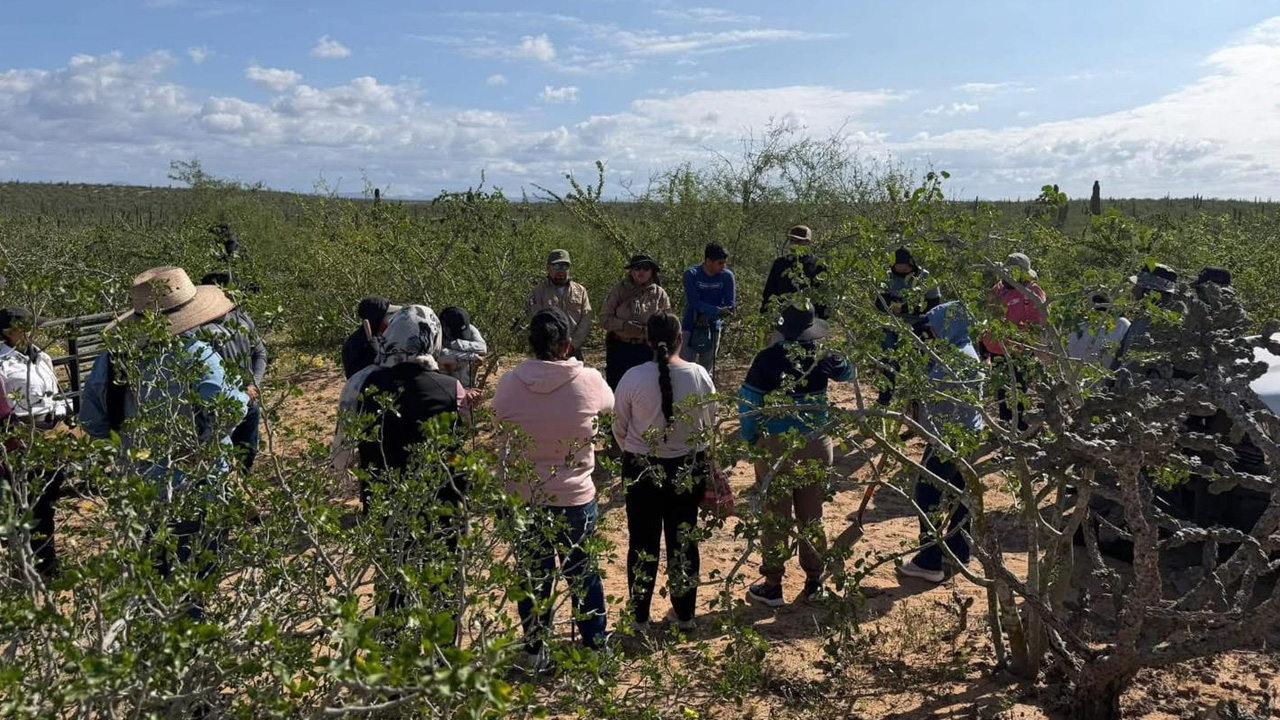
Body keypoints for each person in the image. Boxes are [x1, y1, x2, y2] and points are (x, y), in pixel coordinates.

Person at [80, 267, 248, 619]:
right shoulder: (196, 353)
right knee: (192, 580)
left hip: (138, 488)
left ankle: (156, 654)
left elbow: (93, 421)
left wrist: (130, 449)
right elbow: (230, 407)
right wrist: (202, 444)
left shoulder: (112, 359)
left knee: (153, 578)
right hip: (197, 488)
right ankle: (188, 656)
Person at [492, 308, 614, 665]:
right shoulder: (588, 379)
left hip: (524, 495)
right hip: (575, 496)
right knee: (583, 574)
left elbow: (499, 420)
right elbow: (610, 407)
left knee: (533, 575)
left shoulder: (509, 382)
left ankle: (534, 650)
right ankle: (594, 648)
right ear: (566, 345)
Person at [352, 305, 472, 617]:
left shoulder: (367, 386)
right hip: (439, 506)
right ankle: (442, 658)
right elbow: (457, 449)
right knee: (441, 588)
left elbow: (353, 451)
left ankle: (392, 652)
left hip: (385, 504)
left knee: (392, 584)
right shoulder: (451, 389)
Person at [740, 300, 852, 607]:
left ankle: (773, 585)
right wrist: (836, 359)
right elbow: (848, 374)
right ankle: (814, 581)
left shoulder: (766, 359)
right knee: (812, 516)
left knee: (775, 516)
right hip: (816, 442)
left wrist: (751, 441)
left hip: (776, 444)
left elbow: (749, 405)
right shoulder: (823, 355)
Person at [612, 311, 715, 631]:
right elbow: (709, 424)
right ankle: (684, 615)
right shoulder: (699, 374)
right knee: (683, 540)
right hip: (688, 465)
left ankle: (639, 617)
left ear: (646, 340)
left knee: (642, 542)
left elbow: (619, 427)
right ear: (680, 339)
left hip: (642, 467)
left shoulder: (632, 377)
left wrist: (638, 447)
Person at [896, 302, 986, 583]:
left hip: (948, 440)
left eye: (935, 327)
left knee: (927, 495)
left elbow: (928, 388)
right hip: (966, 436)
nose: (931, 334)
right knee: (959, 494)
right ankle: (959, 552)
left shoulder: (955, 361)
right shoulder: (965, 349)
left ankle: (929, 562)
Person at [1, 307, 68, 578]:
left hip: (52, 429)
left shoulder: (41, 355)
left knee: (49, 496)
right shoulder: (2, 363)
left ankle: (43, 559)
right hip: (23, 432)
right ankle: (38, 564)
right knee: (30, 501)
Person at [200, 272, 268, 472]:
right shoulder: (200, 330)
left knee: (248, 451)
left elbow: (260, 353)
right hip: (219, 405)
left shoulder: (242, 318)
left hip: (250, 399)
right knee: (221, 457)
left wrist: (254, 384)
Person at [980, 253, 1047, 430]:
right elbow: (989, 313)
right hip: (997, 347)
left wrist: (1018, 335)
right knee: (1002, 388)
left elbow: (1037, 319)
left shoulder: (1032, 291)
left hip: (1020, 349)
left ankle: (1021, 428)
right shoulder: (999, 289)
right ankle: (1006, 426)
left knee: (1018, 388)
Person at [876, 246, 942, 405]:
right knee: (889, 362)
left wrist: (905, 308)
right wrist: (890, 307)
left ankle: (920, 402)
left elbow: (933, 303)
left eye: (904, 266)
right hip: (893, 325)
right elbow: (879, 302)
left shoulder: (925, 277)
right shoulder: (888, 277)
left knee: (921, 364)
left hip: (919, 325)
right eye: (898, 266)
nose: (901, 269)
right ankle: (884, 399)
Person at [601, 254, 671, 390]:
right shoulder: (619, 290)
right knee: (617, 388)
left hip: (646, 350)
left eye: (645, 268)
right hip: (619, 348)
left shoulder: (659, 294)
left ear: (652, 272)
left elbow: (667, 323)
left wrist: (648, 331)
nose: (641, 272)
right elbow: (604, 319)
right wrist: (623, 325)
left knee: (644, 390)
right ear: (632, 271)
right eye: (637, 268)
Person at [527, 250, 592, 360]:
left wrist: (573, 344)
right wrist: (552, 345)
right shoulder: (539, 291)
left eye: (565, 266)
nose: (561, 270)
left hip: (574, 350)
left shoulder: (580, 291)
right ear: (548, 268)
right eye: (557, 266)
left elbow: (586, 319)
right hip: (549, 352)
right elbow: (537, 319)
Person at [681, 243, 735, 375]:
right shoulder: (692, 274)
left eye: (724, 263)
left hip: (713, 327)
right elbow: (693, 302)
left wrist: (716, 312)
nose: (723, 266)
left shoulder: (727, 276)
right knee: (685, 368)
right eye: (720, 263)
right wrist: (716, 310)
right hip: (690, 326)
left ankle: (704, 395)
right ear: (708, 261)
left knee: (706, 370)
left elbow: (730, 306)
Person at [761, 225, 827, 320]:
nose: (794, 244)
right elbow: (769, 292)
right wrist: (765, 316)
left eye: (799, 241)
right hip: (781, 321)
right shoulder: (780, 263)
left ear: (808, 243)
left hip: (808, 323)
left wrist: (822, 322)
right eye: (792, 240)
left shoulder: (818, 265)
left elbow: (822, 298)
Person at [1066, 292, 1131, 371]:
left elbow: (1128, 355)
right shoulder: (1079, 326)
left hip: (1110, 376)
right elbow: (1072, 352)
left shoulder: (1121, 324)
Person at [342, 296, 398, 379]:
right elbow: (352, 378)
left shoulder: (389, 336)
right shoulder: (355, 343)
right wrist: (369, 358)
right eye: (389, 315)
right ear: (376, 318)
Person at [437, 306, 488, 389]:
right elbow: (442, 355)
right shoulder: (437, 334)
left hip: (468, 386)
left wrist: (454, 344)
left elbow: (482, 348)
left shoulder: (469, 328)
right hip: (447, 388)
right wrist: (471, 356)